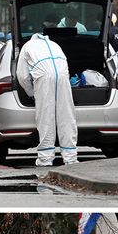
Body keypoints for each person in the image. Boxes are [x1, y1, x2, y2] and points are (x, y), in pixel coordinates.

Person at [16, 27, 78, 166]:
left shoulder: (27, 46)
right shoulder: (55, 44)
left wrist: (31, 93)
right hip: (63, 77)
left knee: (46, 116)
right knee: (66, 116)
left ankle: (45, 158)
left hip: (43, 77)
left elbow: (22, 76)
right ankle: (70, 157)